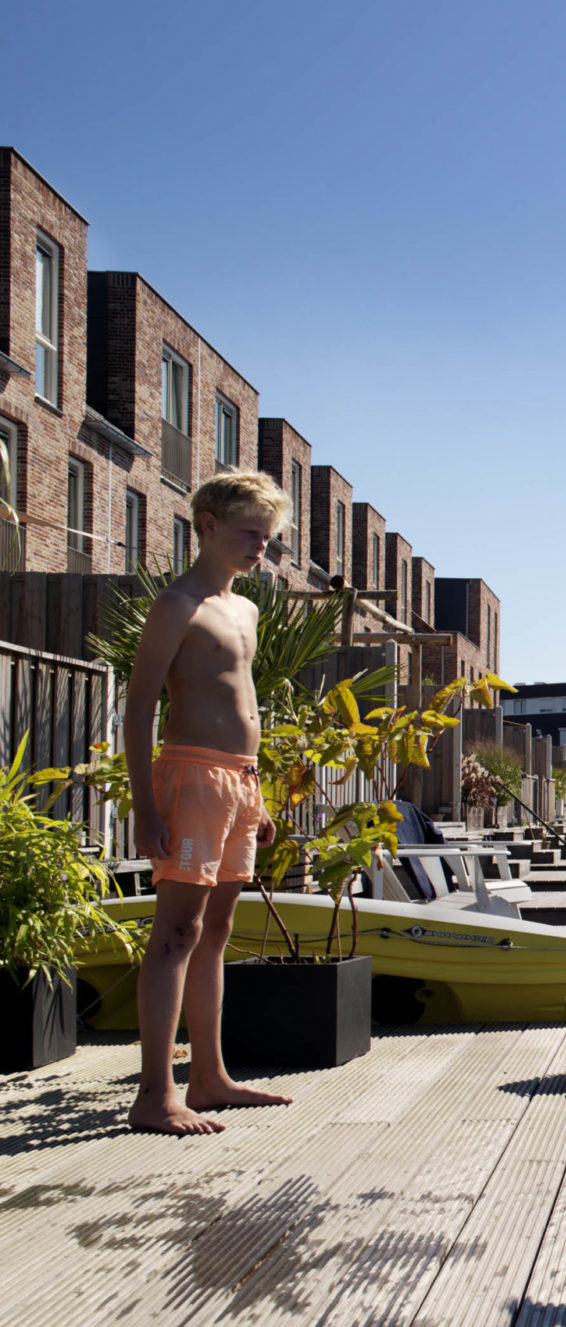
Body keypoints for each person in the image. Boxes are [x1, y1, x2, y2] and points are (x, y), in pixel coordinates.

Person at [124, 472, 294, 1135]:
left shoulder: (244, 609)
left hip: (240, 780)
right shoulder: (178, 604)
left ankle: (209, 1078)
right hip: (191, 777)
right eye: (251, 534)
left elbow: (243, 706)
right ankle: (152, 1095)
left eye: (267, 537)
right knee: (175, 934)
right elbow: (140, 708)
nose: (261, 547)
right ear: (207, 526)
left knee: (215, 934)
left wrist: (259, 795)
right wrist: (145, 806)